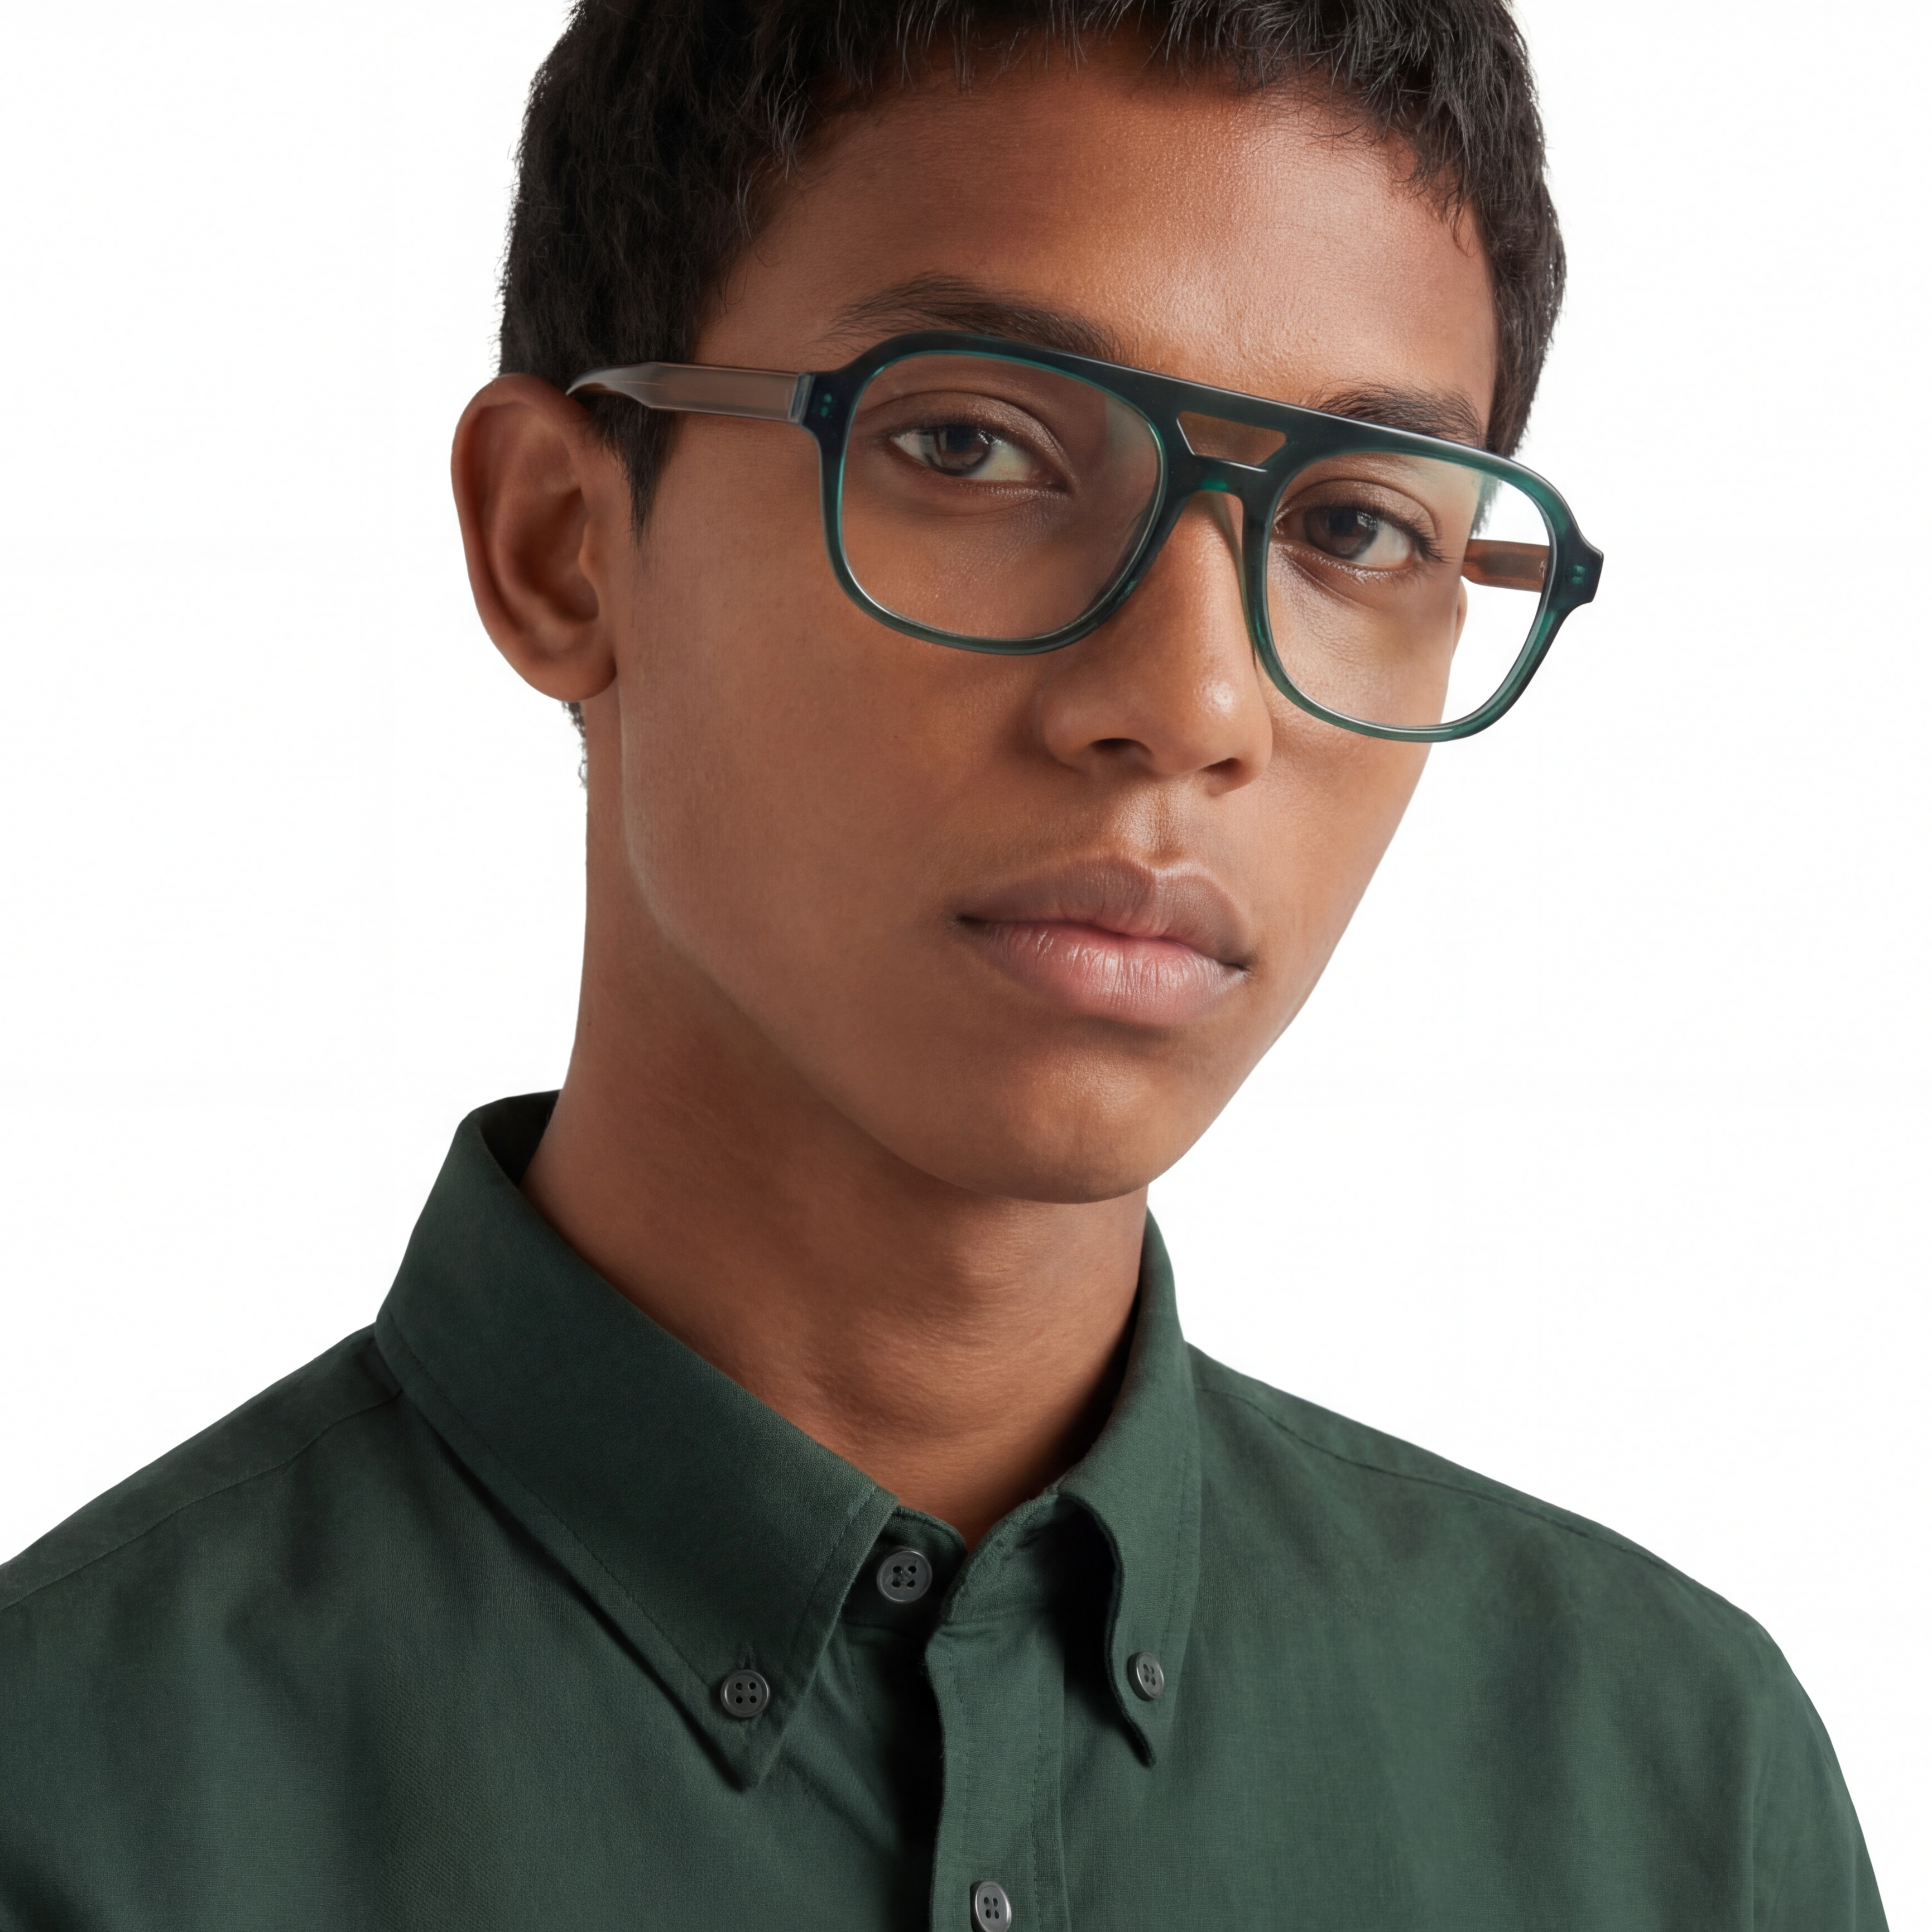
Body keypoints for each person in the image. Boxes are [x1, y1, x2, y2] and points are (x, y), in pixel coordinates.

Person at [0, 0, 1887, 1924]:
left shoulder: (1666, 1795)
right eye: (971, 441)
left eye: (1351, 523)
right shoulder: (66, 1805)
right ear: (563, 545)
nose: (1192, 700)